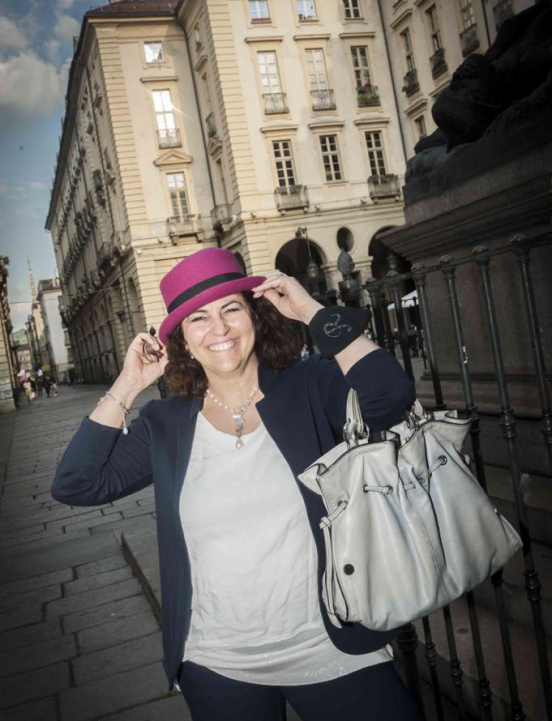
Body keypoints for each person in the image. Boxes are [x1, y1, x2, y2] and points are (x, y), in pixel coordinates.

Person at [51, 248, 422, 721]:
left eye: (231, 308)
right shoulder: (165, 423)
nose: (220, 329)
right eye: (198, 318)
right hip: (217, 661)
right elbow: (77, 484)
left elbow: (390, 397)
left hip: (331, 642)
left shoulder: (308, 384)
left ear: (255, 316)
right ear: (182, 339)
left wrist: (310, 311)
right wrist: (128, 383)